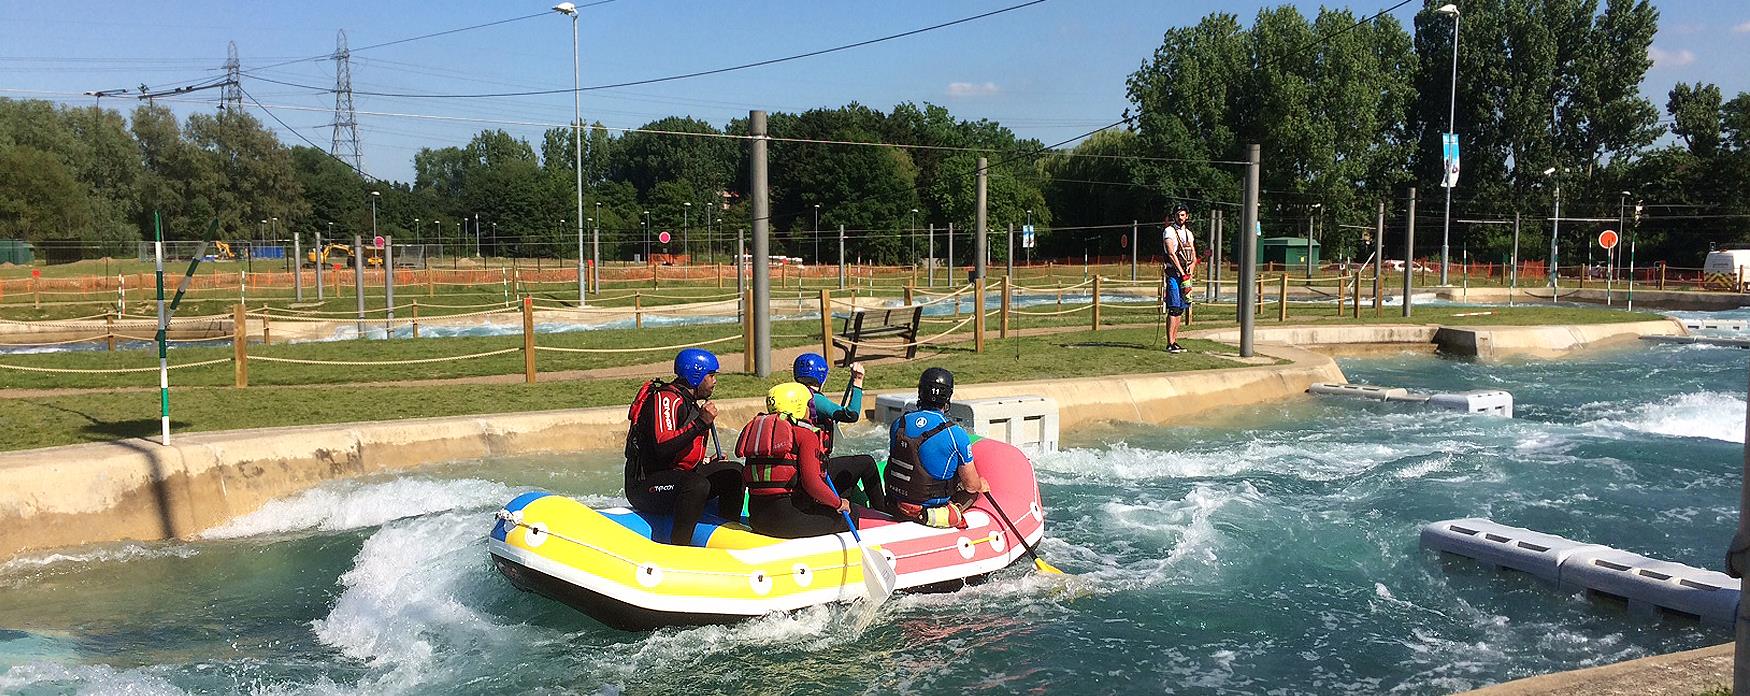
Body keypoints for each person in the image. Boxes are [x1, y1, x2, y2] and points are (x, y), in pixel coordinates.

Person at [624, 348, 744, 546]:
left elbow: (679, 456)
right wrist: (701, 423)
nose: (714, 381)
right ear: (695, 374)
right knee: (696, 485)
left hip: (676, 480)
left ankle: (726, 534)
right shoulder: (666, 399)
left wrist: (705, 461)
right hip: (646, 487)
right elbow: (662, 447)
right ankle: (680, 545)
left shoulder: (690, 402)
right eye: (711, 375)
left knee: (734, 473)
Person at [739, 382, 887, 539]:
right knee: (851, 514)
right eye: (808, 405)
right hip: (786, 521)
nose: (811, 410)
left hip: (756, 517)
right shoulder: (804, 435)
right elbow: (812, 485)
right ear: (798, 406)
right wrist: (838, 503)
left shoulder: (759, 432)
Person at [885, 367, 986, 529]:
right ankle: (943, 515)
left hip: (894, 502)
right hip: (930, 507)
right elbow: (971, 485)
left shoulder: (899, 424)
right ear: (948, 397)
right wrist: (981, 485)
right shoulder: (956, 434)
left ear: (921, 392)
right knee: (971, 491)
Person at [793, 354, 882, 493]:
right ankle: (883, 511)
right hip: (814, 468)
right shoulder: (815, 400)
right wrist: (858, 381)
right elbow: (851, 415)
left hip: (796, 465)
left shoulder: (790, 397)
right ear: (822, 377)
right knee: (867, 463)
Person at [1161, 204, 1198, 354]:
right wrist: (1181, 272)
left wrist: (1189, 274)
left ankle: (1175, 340)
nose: (1180, 217)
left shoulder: (1189, 234)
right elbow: (1171, 253)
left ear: (1187, 216)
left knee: (1182, 308)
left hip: (1185, 276)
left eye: (1183, 215)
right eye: (1177, 215)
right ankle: (1170, 342)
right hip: (1173, 274)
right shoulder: (1169, 231)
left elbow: (1194, 256)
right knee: (1174, 307)